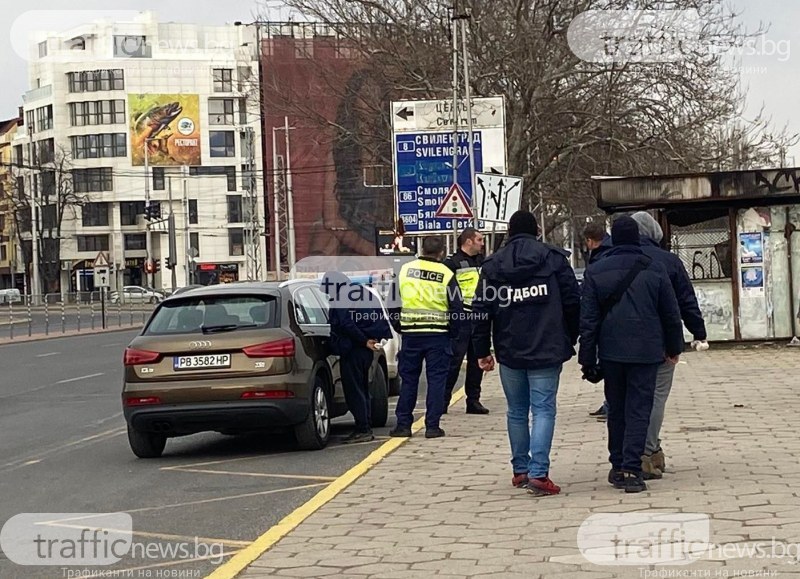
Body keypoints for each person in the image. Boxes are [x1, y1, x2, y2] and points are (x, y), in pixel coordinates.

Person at [472, 210, 580, 496]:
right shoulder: (554, 259)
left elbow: (481, 311)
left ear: (509, 232)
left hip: (510, 350)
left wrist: (482, 351)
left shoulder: (493, 265)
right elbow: (572, 301)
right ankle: (539, 473)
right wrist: (572, 336)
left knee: (517, 411)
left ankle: (521, 469)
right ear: (536, 232)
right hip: (547, 347)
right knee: (543, 409)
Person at [579, 216, 684, 493]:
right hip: (647, 352)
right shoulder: (656, 268)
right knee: (639, 410)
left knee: (616, 409)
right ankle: (632, 470)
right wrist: (674, 349)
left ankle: (616, 465)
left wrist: (587, 360)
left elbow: (588, 321)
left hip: (612, 353)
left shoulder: (596, 270)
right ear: (637, 238)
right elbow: (670, 314)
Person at [631, 211, 708, 478]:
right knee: (655, 398)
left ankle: (642, 451)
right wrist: (698, 331)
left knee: (631, 399)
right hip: (661, 341)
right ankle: (647, 452)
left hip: (621, 345)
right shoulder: (668, 261)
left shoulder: (611, 259)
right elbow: (685, 301)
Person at [387, 236, 464, 439]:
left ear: (422, 249)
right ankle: (432, 426)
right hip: (438, 336)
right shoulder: (446, 274)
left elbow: (392, 301)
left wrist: (399, 325)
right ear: (442, 252)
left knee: (409, 380)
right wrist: (454, 334)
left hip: (411, 334)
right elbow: (456, 307)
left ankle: (403, 425)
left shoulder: (404, 270)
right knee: (436, 380)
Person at [322, 271, 393, 444]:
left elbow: (346, 323)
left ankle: (363, 429)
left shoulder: (341, 298)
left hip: (353, 349)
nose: (326, 293)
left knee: (354, 391)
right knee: (363, 388)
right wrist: (371, 340)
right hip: (367, 351)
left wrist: (363, 341)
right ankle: (365, 425)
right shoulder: (365, 294)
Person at [443, 227, 489, 415]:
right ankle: (443, 399)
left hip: (478, 317)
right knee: (454, 361)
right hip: (460, 318)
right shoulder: (451, 263)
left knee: (477, 361)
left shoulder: (482, 262)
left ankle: (473, 400)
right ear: (468, 241)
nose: (482, 243)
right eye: (479, 240)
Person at [583, 221, 612, 421]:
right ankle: (609, 404)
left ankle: (612, 406)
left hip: (605, 321)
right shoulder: (612, 251)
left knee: (609, 365)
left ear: (590, 241)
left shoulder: (600, 259)